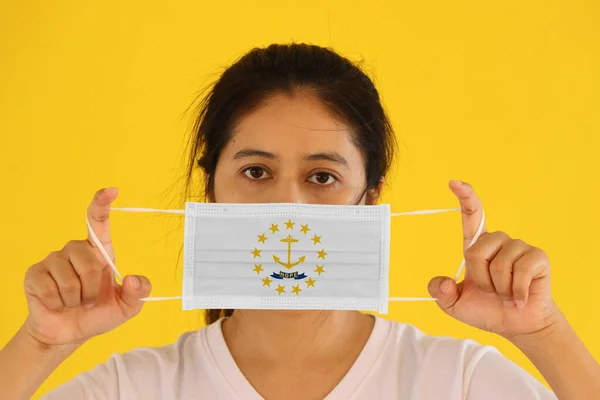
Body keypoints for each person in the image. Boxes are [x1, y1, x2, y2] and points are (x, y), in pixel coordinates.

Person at [1, 43, 598, 400]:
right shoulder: (134, 388)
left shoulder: (457, 380)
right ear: (210, 189)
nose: (287, 208)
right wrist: (40, 345)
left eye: (322, 177)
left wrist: (542, 335)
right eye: (256, 172)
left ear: (371, 196)